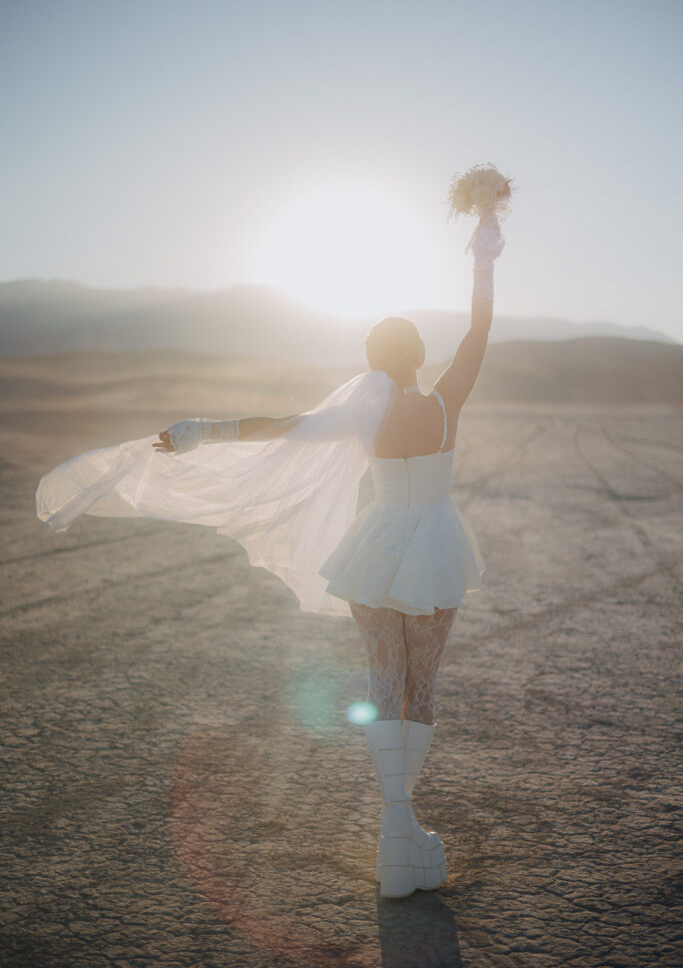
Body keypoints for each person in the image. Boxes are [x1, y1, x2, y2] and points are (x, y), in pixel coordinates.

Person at [35, 205, 505, 900]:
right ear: (417, 360)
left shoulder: (362, 411)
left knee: (381, 685)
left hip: (376, 548)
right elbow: (479, 331)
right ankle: (405, 842)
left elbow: (282, 428)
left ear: (371, 363)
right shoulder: (444, 402)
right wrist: (484, 254)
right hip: (433, 546)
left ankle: (394, 836)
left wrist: (199, 431)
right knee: (419, 689)